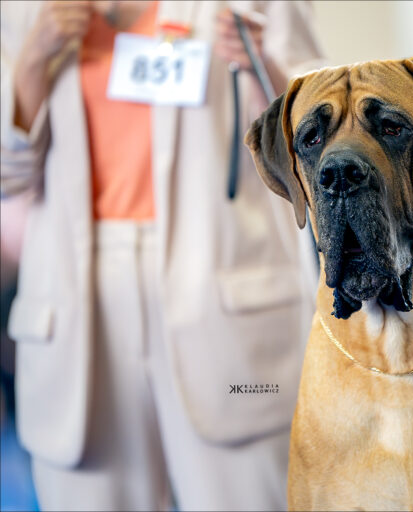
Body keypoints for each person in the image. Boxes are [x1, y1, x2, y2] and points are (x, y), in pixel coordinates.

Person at [0, 1, 324, 510]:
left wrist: (269, 68)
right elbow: (6, 175)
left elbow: (322, 141)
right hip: (79, 312)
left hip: (228, 303)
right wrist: (34, 63)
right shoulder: (24, 10)